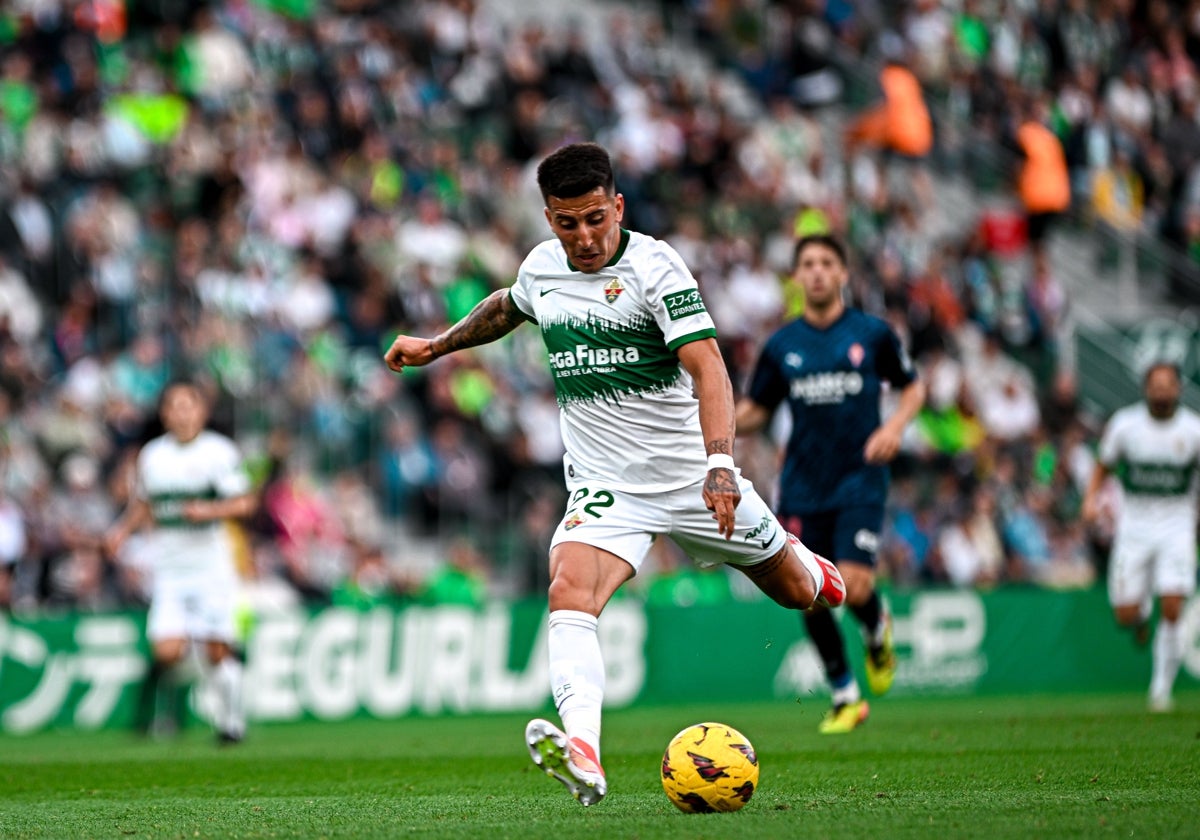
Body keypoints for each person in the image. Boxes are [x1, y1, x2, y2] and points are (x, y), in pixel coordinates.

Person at [383, 142, 845, 806]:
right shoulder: (544, 269)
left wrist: (719, 466)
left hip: (692, 479)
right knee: (569, 588)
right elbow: (509, 306)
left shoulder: (655, 267)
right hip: (607, 489)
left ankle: (814, 567)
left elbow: (709, 366)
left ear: (618, 206)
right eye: (568, 223)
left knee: (798, 592)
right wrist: (437, 345)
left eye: (596, 218)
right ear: (549, 219)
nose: (585, 237)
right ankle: (585, 753)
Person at [736, 234, 926, 734]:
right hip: (801, 484)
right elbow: (758, 408)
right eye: (808, 264)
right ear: (796, 278)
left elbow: (913, 386)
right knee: (809, 592)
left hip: (860, 477)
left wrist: (894, 427)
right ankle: (845, 694)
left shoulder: (873, 334)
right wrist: (714, 427)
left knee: (855, 582)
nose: (817, 272)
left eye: (826, 263)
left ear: (843, 274)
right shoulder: (781, 346)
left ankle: (875, 628)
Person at [104, 379, 256, 743]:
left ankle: (232, 724)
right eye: (174, 406)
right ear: (165, 414)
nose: (182, 413)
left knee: (216, 648)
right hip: (170, 565)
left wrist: (208, 510)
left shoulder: (219, 452)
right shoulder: (153, 455)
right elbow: (144, 504)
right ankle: (174, 712)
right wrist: (121, 531)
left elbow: (245, 503)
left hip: (210, 563)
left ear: (201, 411)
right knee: (167, 650)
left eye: (189, 405)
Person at [1081, 362, 1200, 713]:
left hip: (1177, 525)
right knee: (1124, 614)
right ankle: (1140, 610)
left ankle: (1160, 690)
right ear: (1145, 388)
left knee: (1174, 606)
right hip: (1133, 529)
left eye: (1168, 384)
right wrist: (1090, 499)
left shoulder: (1193, 429)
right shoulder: (1125, 425)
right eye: (1156, 384)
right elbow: (1103, 464)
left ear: (1178, 388)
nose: (1162, 390)